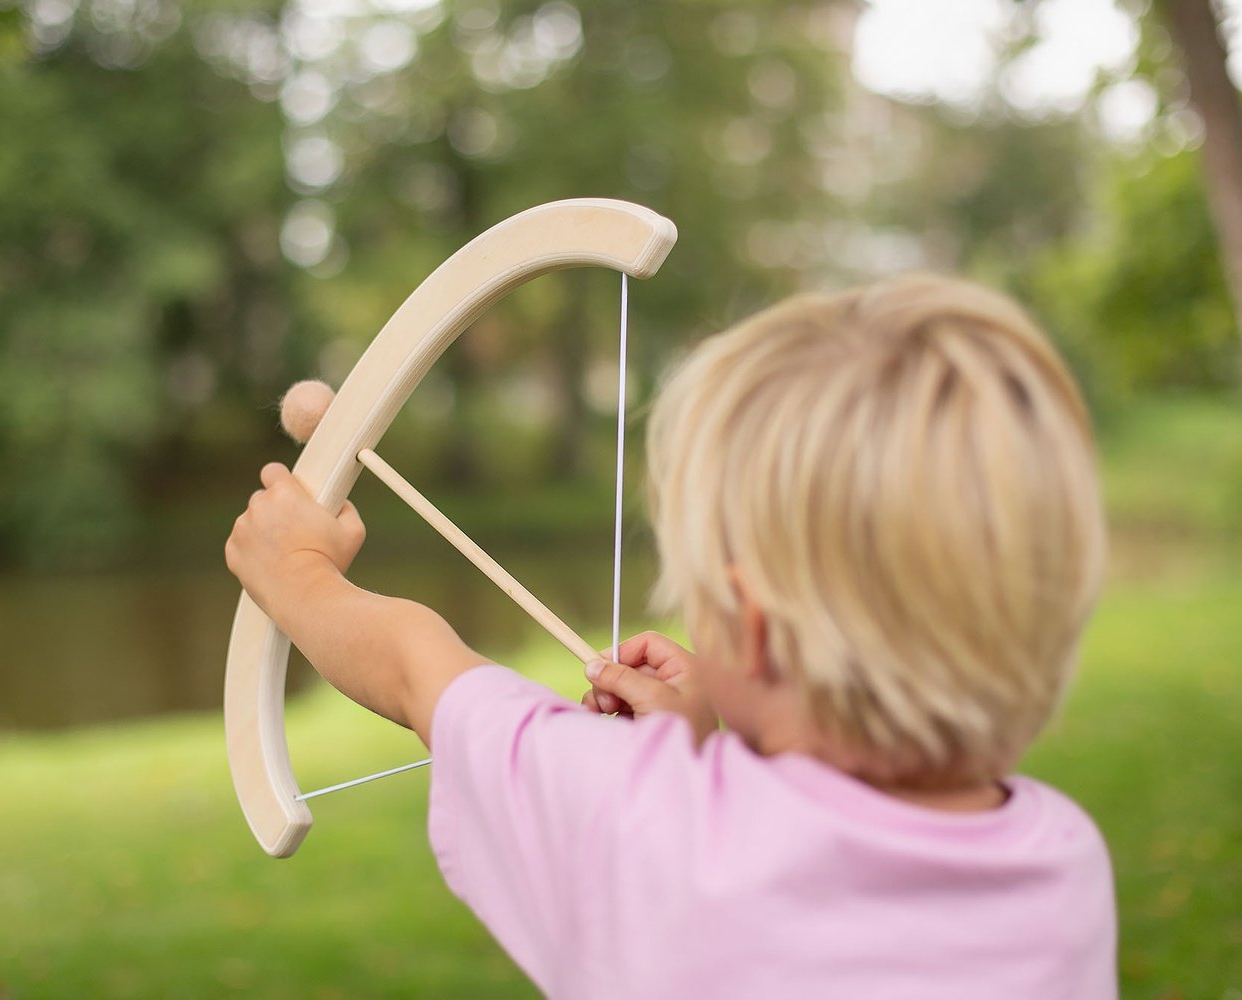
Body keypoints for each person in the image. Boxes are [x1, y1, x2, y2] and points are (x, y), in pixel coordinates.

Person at [225, 273, 1116, 999]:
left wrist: (295, 574)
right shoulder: (1061, 862)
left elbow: (421, 672)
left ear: (754, 628)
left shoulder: (651, 826)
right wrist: (712, 749)